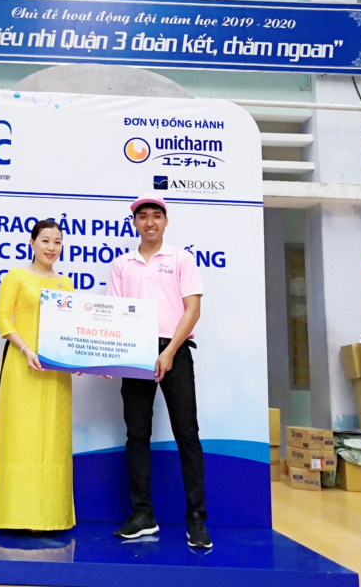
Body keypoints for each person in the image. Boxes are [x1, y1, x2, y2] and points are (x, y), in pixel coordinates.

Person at [107, 194, 212, 549]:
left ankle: (196, 518)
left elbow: (193, 310)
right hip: (135, 352)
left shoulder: (181, 259)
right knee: (136, 435)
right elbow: (115, 315)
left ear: (166, 221)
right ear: (135, 223)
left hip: (175, 350)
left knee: (187, 434)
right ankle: (142, 515)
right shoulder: (122, 264)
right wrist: (109, 357)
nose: (149, 222)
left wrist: (168, 352)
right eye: (143, 217)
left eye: (156, 216)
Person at [0, 220, 75, 531]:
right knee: (19, 435)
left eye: (57, 241)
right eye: (45, 240)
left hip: (55, 372)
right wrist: (25, 349)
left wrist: (81, 361)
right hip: (21, 365)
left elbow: (71, 330)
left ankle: (49, 515)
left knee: (52, 438)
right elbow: (2, 318)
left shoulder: (66, 284)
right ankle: (14, 514)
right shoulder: (17, 276)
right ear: (32, 243)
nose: (52, 247)